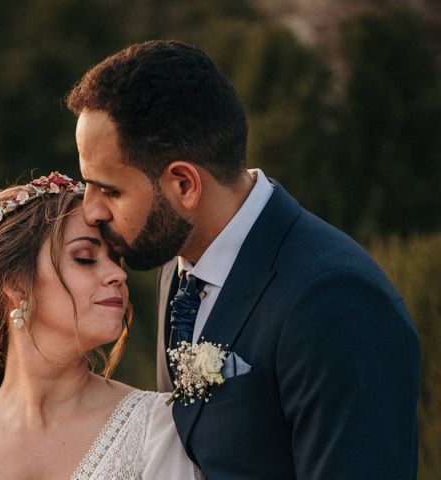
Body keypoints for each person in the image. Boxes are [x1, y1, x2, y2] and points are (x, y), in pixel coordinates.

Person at [67, 40, 421, 479]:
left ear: (183, 186)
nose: (90, 209)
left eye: (110, 189)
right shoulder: (174, 261)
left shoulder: (335, 302)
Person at [0, 172, 201, 479]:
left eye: (115, 260)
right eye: (84, 257)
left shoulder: (156, 427)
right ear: (16, 283)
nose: (117, 275)